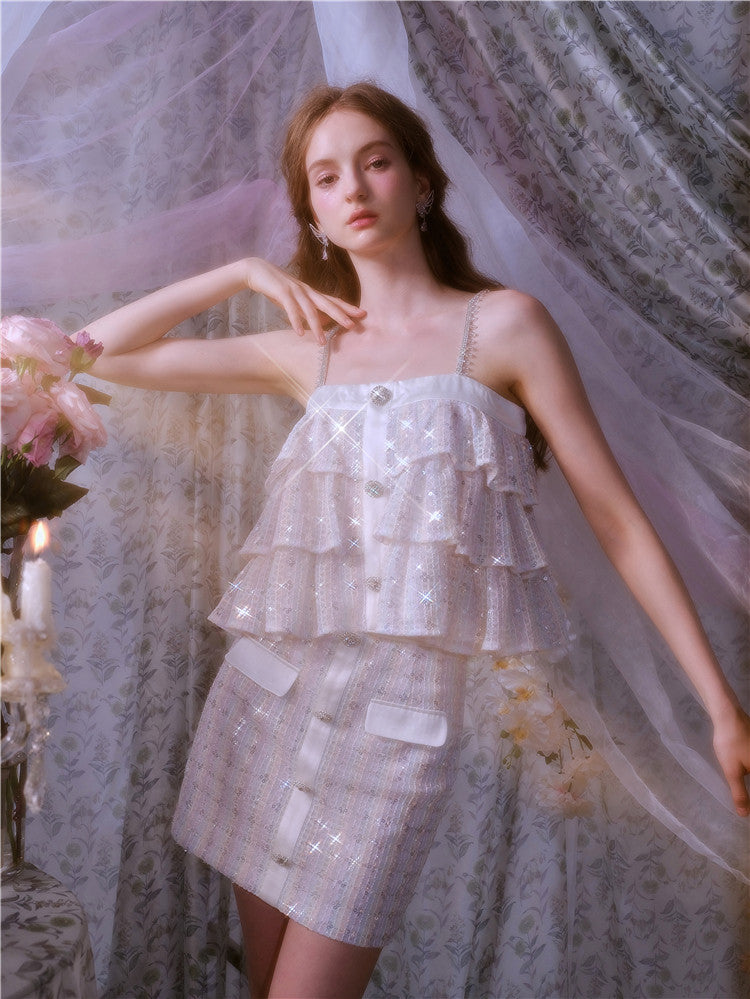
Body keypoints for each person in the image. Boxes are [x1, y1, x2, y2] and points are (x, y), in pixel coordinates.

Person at [84, 83, 750, 999]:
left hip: (396, 732)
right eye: (326, 178)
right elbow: (87, 353)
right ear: (312, 213)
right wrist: (237, 275)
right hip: (265, 702)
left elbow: (618, 519)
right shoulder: (308, 350)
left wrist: (720, 705)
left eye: (376, 162)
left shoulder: (504, 325)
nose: (354, 188)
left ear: (422, 180)